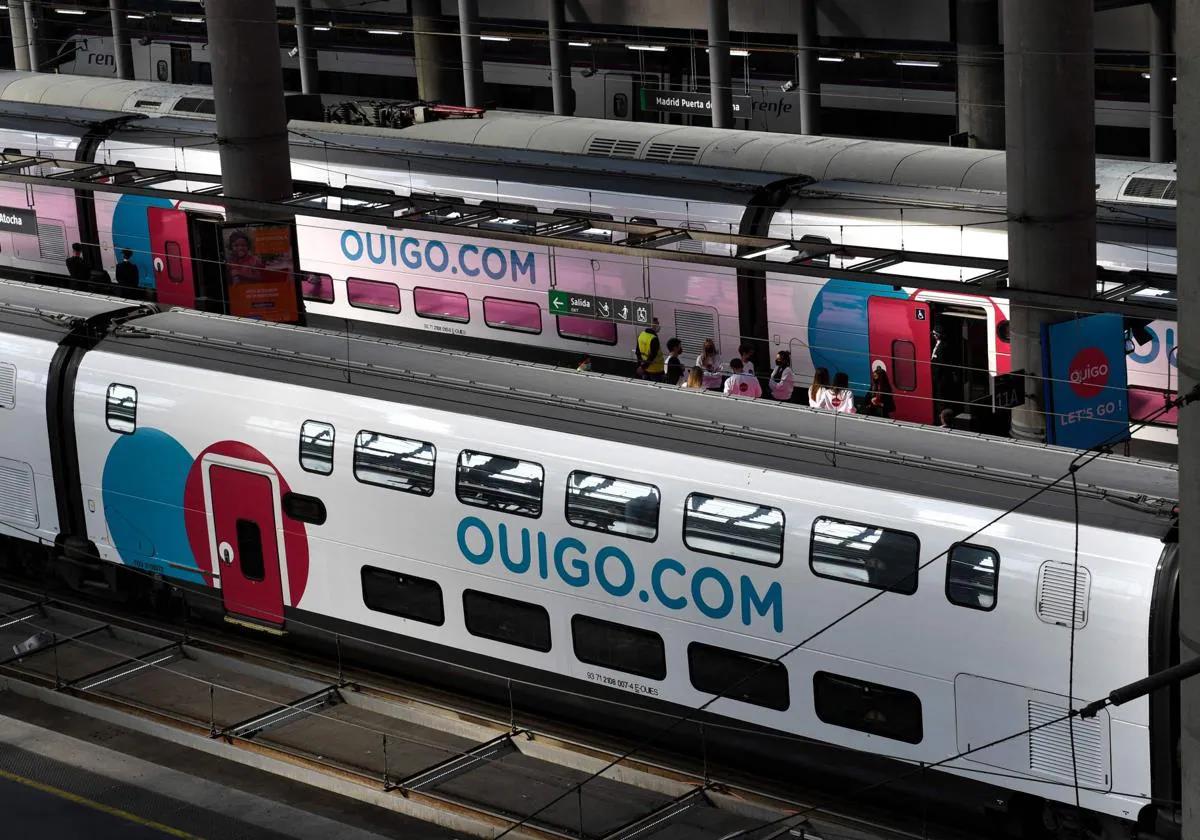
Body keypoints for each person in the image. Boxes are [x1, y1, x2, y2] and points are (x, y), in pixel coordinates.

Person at [634, 317, 664, 381]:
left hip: (645, 370)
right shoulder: (654, 338)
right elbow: (652, 356)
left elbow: (637, 352)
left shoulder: (641, 335)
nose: (658, 325)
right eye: (656, 324)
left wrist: (641, 366)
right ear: (651, 325)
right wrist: (642, 367)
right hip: (656, 370)